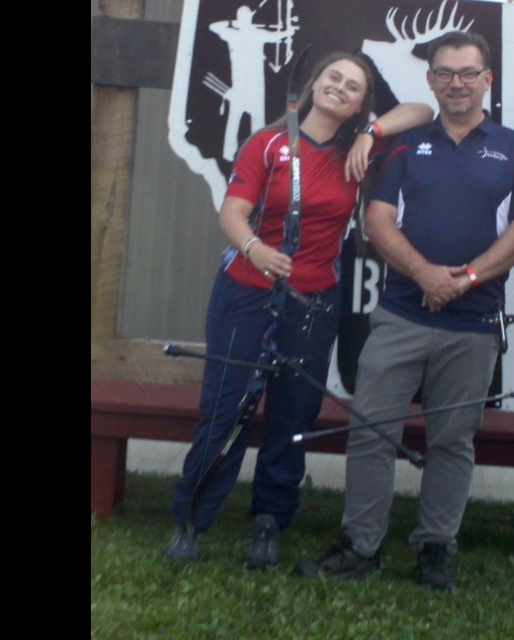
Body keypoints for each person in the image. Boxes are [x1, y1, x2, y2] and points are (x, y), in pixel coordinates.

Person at [295, 31, 514, 591]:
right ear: (431, 81)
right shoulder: (405, 144)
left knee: (452, 441)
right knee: (371, 432)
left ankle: (436, 550)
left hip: (474, 324)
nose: (457, 82)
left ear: (487, 79)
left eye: (468, 72)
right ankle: (359, 546)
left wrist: (468, 278)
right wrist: (427, 276)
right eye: (445, 73)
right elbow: (378, 220)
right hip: (402, 314)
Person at [164, 52, 433, 568]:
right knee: (225, 409)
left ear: (360, 102)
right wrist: (254, 249)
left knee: (293, 413)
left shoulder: (356, 155)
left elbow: (421, 110)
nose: (341, 88)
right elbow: (233, 212)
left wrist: (370, 134)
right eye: (334, 77)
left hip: (313, 302)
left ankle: (269, 520)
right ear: (314, 84)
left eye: (354, 86)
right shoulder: (266, 143)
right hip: (246, 292)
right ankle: (192, 517)